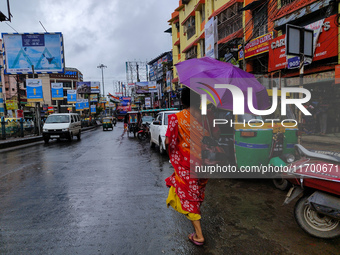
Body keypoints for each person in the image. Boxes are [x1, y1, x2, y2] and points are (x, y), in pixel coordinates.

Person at [164, 87, 209, 246]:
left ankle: (199, 236)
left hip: (187, 165)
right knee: (196, 196)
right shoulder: (204, 118)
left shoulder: (176, 118)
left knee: (190, 200)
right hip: (202, 164)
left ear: (182, 101)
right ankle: (196, 228)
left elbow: (169, 141)